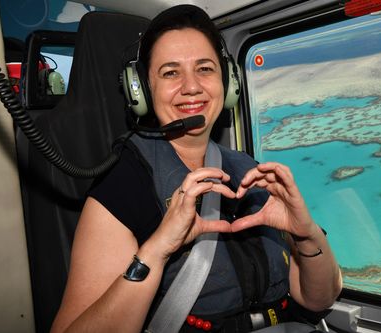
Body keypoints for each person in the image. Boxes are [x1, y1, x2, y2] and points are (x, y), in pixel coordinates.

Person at [51, 4, 342, 333]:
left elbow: (317, 299)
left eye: (204, 69)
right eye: (170, 72)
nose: (191, 86)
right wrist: (158, 248)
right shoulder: (123, 188)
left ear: (227, 81)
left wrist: (306, 234)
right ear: (143, 90)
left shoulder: (249, 170)